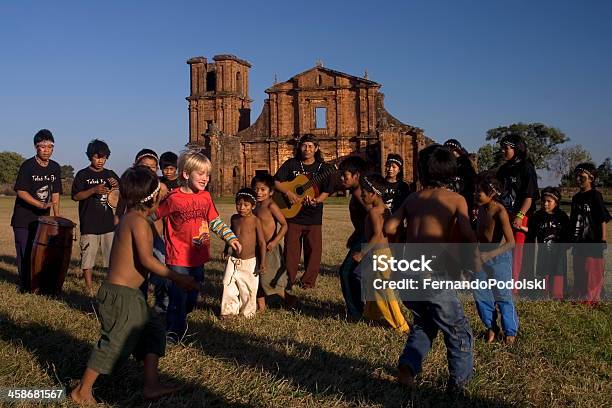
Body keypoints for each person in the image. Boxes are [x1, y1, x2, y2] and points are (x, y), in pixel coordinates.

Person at [70, 166, 199, 405]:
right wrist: (177, 277)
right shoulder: (137, 222)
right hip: (121, 296)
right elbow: (147, 260)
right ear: (151, 197)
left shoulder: (139, 218)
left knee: (153, 332)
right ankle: (82, 390)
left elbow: (157, 231)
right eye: (158, 189)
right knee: (116, 341)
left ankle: (150, 385)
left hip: (131, 296)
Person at [385, 144, 479, 393]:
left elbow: (389, 228)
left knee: (425, 323)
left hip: (408, 273)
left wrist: (407, 234)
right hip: (434, 275)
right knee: (458, 330)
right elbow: (468, 234)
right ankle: (459, 384)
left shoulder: (413, 198)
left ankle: (408, 366)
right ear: (451, 172)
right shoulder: (456, 199)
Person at [153, 150, 241, 341]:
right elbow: (154, 215)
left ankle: (180, 313)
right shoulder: (173, 198)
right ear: (186, 174)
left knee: (191, 298)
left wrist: (230, 237)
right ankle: (174, 332)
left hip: (198, 257)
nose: (205, 178)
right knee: (178, 297)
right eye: (200, 174)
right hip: (177, 257)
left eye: (207, 175)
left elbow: (214, 221)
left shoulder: (205, 197)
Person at [274, 134, 335, 290]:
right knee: (291, 251)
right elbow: (276, 182)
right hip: (292, 215)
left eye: (310, 146)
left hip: (313, 216)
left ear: (316, 149)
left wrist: (316, 201)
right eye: (304, 145)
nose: (307, 149)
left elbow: (326, 190)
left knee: (314, 251)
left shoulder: (324, 169)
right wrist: (288, 193)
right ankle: (288, 280)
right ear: (299, 147)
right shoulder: (291, 164)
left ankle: (308, 282)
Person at [352, 174, 409, 332]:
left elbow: (377, 235)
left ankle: (401, 325)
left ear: (373, 193)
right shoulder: (386, 210)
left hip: (380, 255)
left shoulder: (374, 212)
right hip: (385, 253)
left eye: (364, 192)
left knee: (384, 291)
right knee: (374, 286)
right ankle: (371, 315)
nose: (361, 195)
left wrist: (362, 254)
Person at [11, 129, 62, 292]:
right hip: (23, 219)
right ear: (36, 147)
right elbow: (20, 191)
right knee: (25, 253)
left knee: (40, 254)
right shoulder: (27, 166)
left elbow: (55, 193)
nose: (46, 150)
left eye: (50, 146)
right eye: (43, 146)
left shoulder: (55, 167)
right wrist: (38, 205)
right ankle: (25, 286)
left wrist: (56, 214)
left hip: (43, 221)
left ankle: (38, 284)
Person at [472, 172, 518, 344]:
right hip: (482, 257)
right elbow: (479, 236)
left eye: (479, 192)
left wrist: (489, 255)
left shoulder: (500, 211)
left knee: (502, 295)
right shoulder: (481, 209)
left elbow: (511, 242)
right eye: (475, 191)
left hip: (499, 258)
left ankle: (510, 332)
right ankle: (491, 327)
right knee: (480, 293)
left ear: (491, 193)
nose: (476, 194)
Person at [72, 139, 119, 295]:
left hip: (108, 225)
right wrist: (93, 190)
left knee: (111, 258)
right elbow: (76, 196)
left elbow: (120, 196)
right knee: (88, 258)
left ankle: (110, 284)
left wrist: (117, 186)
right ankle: (89, 287)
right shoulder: (82, 174)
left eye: (103, 157)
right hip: (89, 224)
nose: (100, 161)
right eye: (97, 157)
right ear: (90, 157)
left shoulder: (110, 174)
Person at [496, 134, 539, 289]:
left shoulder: (526, 167)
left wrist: (520, 216)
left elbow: (530, 196)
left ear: (516, 149)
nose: (503, 151)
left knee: (519, 253)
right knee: (504, 250)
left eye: (506, 148)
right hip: (505, 214)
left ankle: (515, 287)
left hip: (522, 215)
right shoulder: (504, 169)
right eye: (502, 148)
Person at [221, 188, 266, 319]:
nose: (241, 208)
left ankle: (247, 313)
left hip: (250, 261)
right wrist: (225, 249)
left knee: (248, 288)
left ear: (253, 206)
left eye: (246, 205)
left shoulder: (255, 220)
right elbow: (230, 235)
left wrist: (262, 262)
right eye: (238, 204)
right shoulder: (234, 219)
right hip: (233, 260)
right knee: (227, 284)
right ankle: (228, 311)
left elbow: (262, 243)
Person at [570, 163, 610, 305]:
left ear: (591, 178)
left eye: (582, 176)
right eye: (577, 176)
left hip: (593, 241)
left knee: (592, 270)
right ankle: (579, 295)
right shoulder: (575, 198)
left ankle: (592, 298)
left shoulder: (595, 196)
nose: (578, 179)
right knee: (579, 268)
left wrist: (602, 239)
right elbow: (573, 220)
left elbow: (602, 218)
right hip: (579, 241)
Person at [251, 174, 291, 311]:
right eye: (256, 189)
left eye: (263, 189)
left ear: (271, 192)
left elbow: (284, 225)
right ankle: (261, 307)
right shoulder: (254, 206)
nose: (259, 193)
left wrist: (275, 241)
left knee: (269, 279)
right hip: (256, 248)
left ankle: (288, 298)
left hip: (270, 249)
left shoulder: (271, 205)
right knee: (257, 278)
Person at [524, 187, 570, 300]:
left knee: (558, 273)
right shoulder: (538, 216)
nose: (545, 204)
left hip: (558, 254)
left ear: (556, 202)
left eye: (549, 201)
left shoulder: (562, 216)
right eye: (543, 201)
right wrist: (521, 228)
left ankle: (558, 296)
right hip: (543, 253)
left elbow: (568, 234)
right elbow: (532, 231)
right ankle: (544, 295)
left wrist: (565, 245)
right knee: (544, 274)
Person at [338, 156, 369, 319]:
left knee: (346, 271)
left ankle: (354, 312)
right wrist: (355, 234)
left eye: (345, 175)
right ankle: (359, 308)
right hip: (362, 236)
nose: (342, 178)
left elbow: (375, 218)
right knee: (352, 273)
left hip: (369, 239)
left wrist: (365, 246)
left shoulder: (360, 194)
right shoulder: (358, 192)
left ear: (356, 176)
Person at [443, 139, 477, 218]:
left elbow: (473, 185)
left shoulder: (465, 165)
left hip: (464, 201)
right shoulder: (451, 165)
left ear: (455, 150)